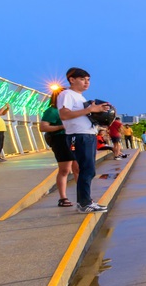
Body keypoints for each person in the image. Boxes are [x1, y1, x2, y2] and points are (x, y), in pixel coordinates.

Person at [58, 67, 111, 214]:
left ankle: (85, 201)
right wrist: (90, 110)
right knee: (87, 170)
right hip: (79, 135)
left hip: (87, 135)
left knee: (88, 170)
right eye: (82, 79)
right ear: (72, 79)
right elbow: (64, 115)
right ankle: (84, 203)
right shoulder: (67, 94)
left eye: (88, 80)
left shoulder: (79, 97)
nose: (86, 83)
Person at [39, 88, 79, 207]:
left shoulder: (69, 110)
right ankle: (63, 198)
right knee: (65, 170)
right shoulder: (52, 111)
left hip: (72, 139)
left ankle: (83, 196)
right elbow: (43, 127)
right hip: (60, 140)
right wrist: (62, 127)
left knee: (78, 168)